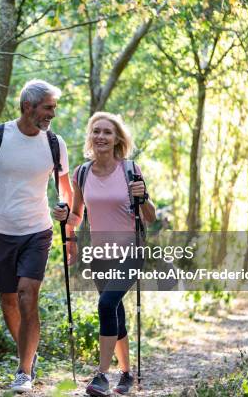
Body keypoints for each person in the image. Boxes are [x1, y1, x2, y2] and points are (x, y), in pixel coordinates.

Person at [0, 79, 73, 393]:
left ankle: (24, 372)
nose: (52, 114)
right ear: (28, 106)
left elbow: (66, 188)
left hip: (37, 231)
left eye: (53, 108)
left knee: (26, 295)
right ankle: (29, 353)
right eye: (47, 107)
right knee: (8, 301)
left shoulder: (54, 143)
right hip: (0, 232)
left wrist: (70, 221)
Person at [53, 112, 156, 396]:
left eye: (107, 132)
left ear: (117, 139)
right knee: (115, 310)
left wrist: (143, 196)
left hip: (131, 252)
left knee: (106, 304)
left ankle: (101, 376)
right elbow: (76, 216)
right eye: (96, 131)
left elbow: (150, 216)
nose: (101, 137)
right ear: (90, 137)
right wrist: (63, 217)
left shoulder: (131, 170)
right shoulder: (81, 173)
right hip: (100, 255)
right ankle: (126, 374)